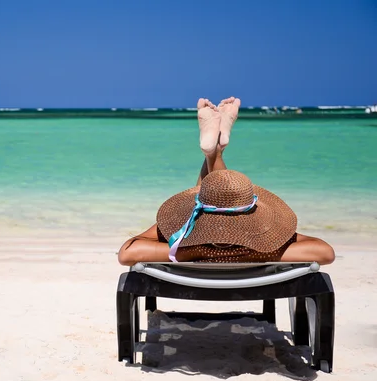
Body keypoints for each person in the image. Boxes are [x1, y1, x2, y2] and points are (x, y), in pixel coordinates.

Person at [118, 97, 335, 267]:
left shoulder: (191, 244)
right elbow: (325, 252)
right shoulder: (261, 245)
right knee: (221, 192)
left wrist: (203, 251)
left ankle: (213, 153)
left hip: (197, 240)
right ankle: (215, 152)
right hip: (249, 247)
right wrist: (256, 250)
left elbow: (128, 251)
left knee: (213, 193)